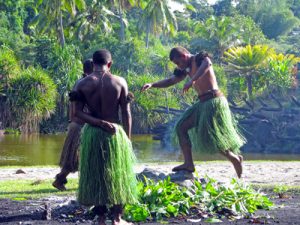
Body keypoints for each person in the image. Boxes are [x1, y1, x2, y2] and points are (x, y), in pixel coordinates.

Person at [141, 46, 245, 178]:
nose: (178, 66)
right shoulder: (185, 69)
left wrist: (192, 80)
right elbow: (171, 80)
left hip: (214, 101)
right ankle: (189, 163)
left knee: (213, 137)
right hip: (202, 104)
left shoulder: (200, 58)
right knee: (181, 127)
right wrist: (152, 84)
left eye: (178, 62)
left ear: (184, 56)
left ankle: (234, 158)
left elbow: (207, 64)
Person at [72, 49, 137, 225]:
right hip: (116, 134)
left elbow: (76, 113)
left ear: (92, 64)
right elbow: (126, 113)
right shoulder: (120, 81)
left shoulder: (82, 84)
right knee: (119, 174)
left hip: (93, 132)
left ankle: (101, 218)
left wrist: (98, 123)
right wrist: (128, 140)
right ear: (109, 64)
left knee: (96, 174)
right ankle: (117, 218)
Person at [52, 59, 93, 191]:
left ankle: (61, 180)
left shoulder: (81, 83)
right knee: (72, 158)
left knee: (76, 157)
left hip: (77, 124)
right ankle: (60, 180)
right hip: (79, 125)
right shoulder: (84, 84)